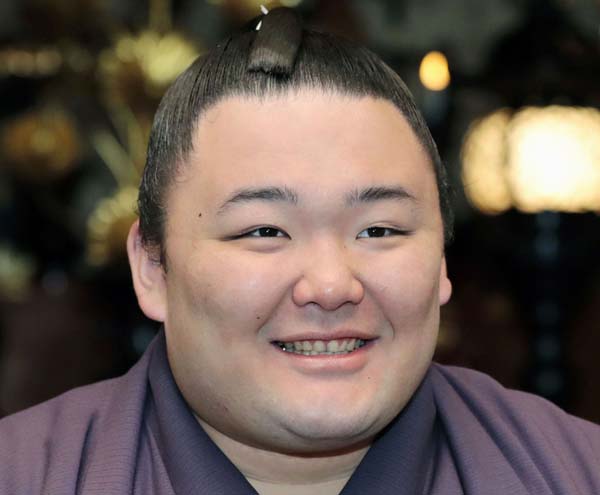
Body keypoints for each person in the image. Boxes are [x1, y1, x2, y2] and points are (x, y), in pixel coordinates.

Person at [1, 7, 599, 495]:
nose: (332, 285)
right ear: (153, 267)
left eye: (379, 231)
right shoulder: (27, 474)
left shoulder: (570, 471)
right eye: (264, 231)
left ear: (443, 257)